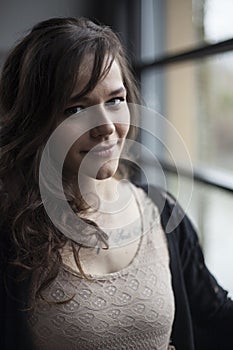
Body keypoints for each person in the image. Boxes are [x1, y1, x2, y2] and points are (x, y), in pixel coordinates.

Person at [0, 17, 232, 350]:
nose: (106, 127)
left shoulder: (162, 211)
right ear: (35, 120)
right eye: (76, 108)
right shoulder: (12, 232)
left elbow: (214, 317)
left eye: (115, 100)